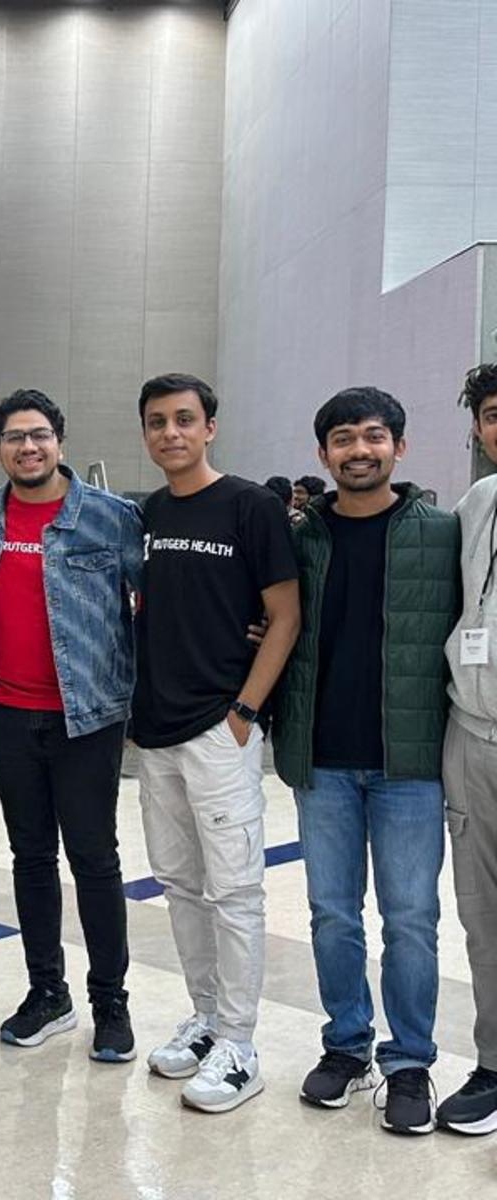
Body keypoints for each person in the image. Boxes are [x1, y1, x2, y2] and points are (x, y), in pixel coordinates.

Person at [271, 387, 458, 1135]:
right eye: (343, 439)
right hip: (322, 759)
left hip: (408, 761)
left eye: (373, 437)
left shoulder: (441, 533)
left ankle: (409, 1062)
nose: (358, 450)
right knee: (331, 915)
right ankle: (346, 1044)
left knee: (411, 919)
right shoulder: (299, 538)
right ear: (323, 455)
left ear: (399, 448)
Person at [0, 388, 143, 1062]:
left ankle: (110, 1003)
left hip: (86, 716)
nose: (27, 447)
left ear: (60, 441)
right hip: (7, 713)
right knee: (30, 856)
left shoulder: (111, 517)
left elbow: (145, 609)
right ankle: (47, 992)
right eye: (13, 437)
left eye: (38, 435)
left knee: (95, 859)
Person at [133, 373, 300, 1113]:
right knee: (178, 882)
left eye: (184, 420)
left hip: (219, 728)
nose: (170, 432)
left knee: (234, 889)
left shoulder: (252, 507)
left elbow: (284, 616)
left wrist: (243, 712)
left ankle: (240, 1043)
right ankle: (205, 1018)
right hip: (156, 733)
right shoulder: (148, 513)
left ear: (210, 427)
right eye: (157, 422)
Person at [437, 363, 497, 1135]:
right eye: (491, 413)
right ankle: (492, 1063)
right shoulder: (477, 503)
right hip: (472, 737)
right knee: (481, 915)